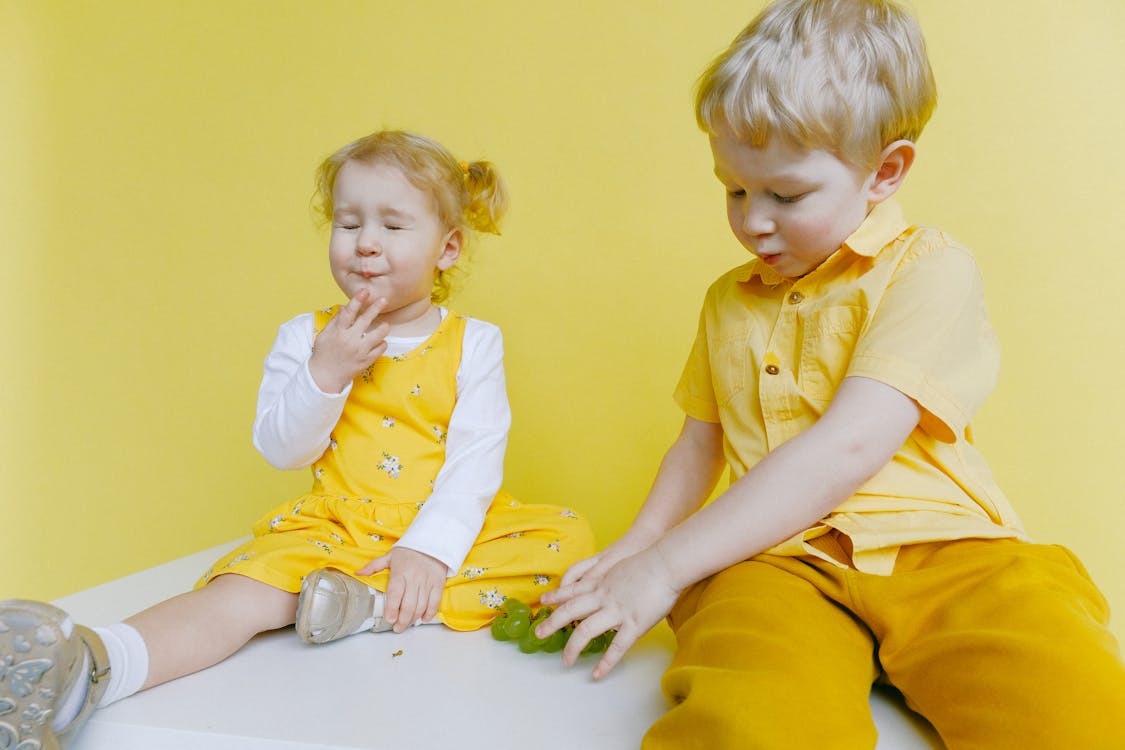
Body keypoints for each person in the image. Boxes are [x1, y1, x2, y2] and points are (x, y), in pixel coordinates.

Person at [535, 1, 1125, 747]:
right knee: (751, 721)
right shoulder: (727, 301)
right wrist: (636, 549)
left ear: (885, 171)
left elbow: (850, 444)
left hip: (943, 549)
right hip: (775, 562)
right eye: (734, 189)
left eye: (784, 195)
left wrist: (665, 566)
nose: (753, 220)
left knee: (1071, 699)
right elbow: (697, 444)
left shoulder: (931, 268)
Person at [0, 129, 594, 749]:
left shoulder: (475, 342)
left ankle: (364, 603)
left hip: (445, 529)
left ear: (448, 248)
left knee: (568, 539)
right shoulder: (305, 335)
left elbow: (476, 461)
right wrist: (326, 371)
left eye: (393, 227)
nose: (365, 244)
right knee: (237, 597)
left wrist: (429, 550)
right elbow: (282, 449)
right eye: (348, 224)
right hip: (332, 530)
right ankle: (92, 667)